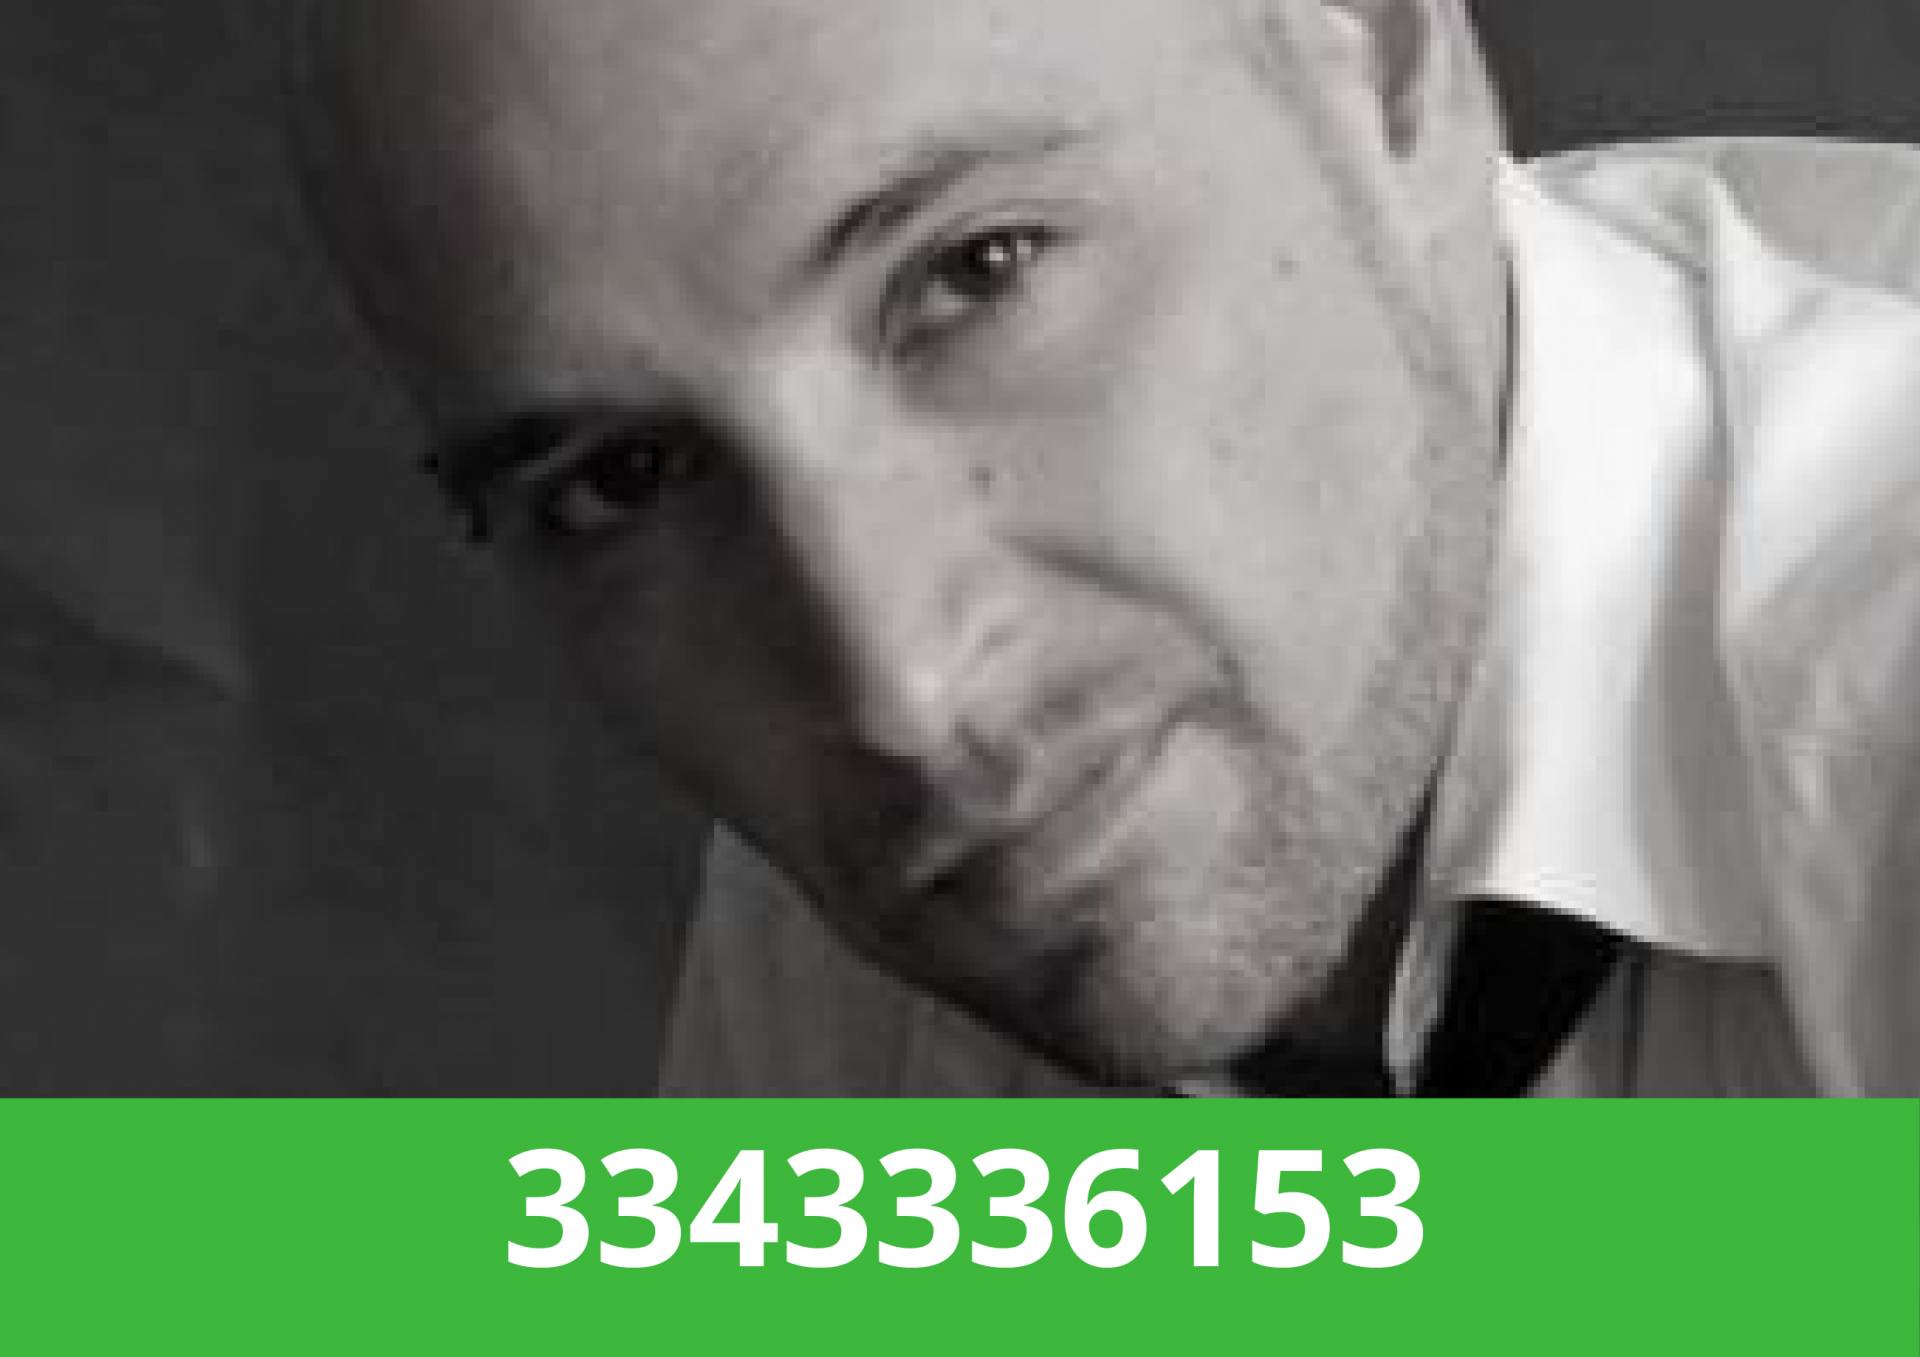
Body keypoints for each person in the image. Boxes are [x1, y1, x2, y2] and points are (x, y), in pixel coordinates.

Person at [289, 0, 1920, 1097]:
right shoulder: (973, 813)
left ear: (1376, 60)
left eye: (975, 271)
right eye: (623, 479)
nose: (903, 689)